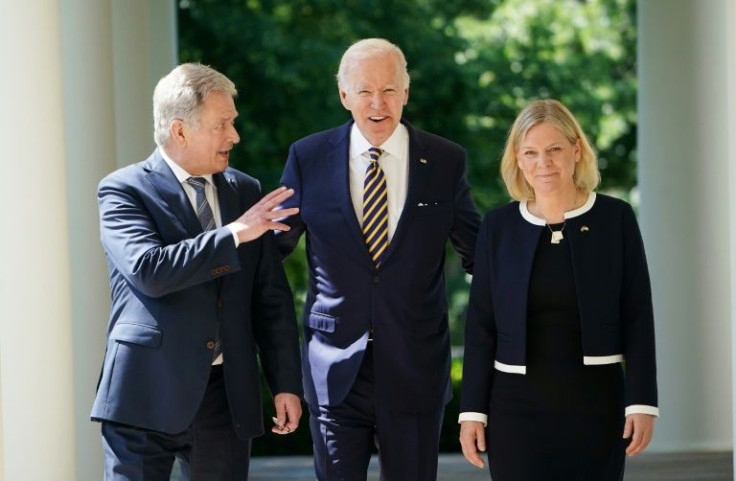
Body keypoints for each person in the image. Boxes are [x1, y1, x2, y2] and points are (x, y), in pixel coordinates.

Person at [276, 38, 481, 481]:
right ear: (344, 95)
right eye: (364, 90)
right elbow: (269, 256)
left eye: (389, 90)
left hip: (415, 369)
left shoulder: (445, 161)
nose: (377, 103)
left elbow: (479, 255)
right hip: (333, 368)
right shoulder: (307, 158)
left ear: (406, 93)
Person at [91, 63, 303, 481]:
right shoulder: (123, 189)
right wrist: (234, 234)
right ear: (180, 130)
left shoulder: (245, 191)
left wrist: (285, 382)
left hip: (225, 398)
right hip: (144, 392)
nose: (235, 136)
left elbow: (270, 297)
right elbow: (150, 270)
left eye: (233, 123)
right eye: (222, 124)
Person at [458, 99, 658, 480]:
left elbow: (637, 314)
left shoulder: (615, 219)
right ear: (517, 159)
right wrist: (472, 413)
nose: (543, 163)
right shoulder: (498, 227)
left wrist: (642, 401)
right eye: (531, 153)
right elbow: (480, 325)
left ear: (576, 150)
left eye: (554, 150)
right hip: (514, 410)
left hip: (596, 403)